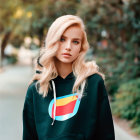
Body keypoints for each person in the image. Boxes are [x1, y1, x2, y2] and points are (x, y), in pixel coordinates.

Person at [22, 15, 115, 140]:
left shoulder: (93, 83)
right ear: (52, 41)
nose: (68, 47)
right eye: (62, 39)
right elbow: (29, 136)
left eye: (75, 41)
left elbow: (106, 134)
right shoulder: (36, 89)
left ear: (81, 47)